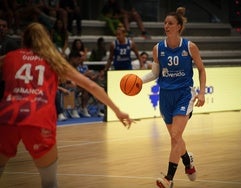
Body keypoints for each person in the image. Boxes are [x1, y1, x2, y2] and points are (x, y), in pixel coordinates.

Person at [0, 22, 132, 188]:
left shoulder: (10, 57)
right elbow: (91, 86)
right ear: (46, 39)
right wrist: (117, 111)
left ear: (24, 39)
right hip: (38, 118)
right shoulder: (53, 61)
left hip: (7, 117)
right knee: (49, 182)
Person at [141, 7, 206, 188]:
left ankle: (168, 179)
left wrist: (201, 92)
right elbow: (154, 74)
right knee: (175, 138)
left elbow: (201, 69)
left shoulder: (189, 47)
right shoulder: (158, 48)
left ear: (179, 27)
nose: (166, 26)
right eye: (165, 23)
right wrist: (139, 81)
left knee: (176, 135)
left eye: (170, 23)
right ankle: (187, 160)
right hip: (166, 96)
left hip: (184, 95)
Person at [0, 18, 20, 99]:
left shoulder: (11, 43)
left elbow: (17, 60)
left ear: (7, 29)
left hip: (4, 79)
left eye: (4, 26)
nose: (1, 28)